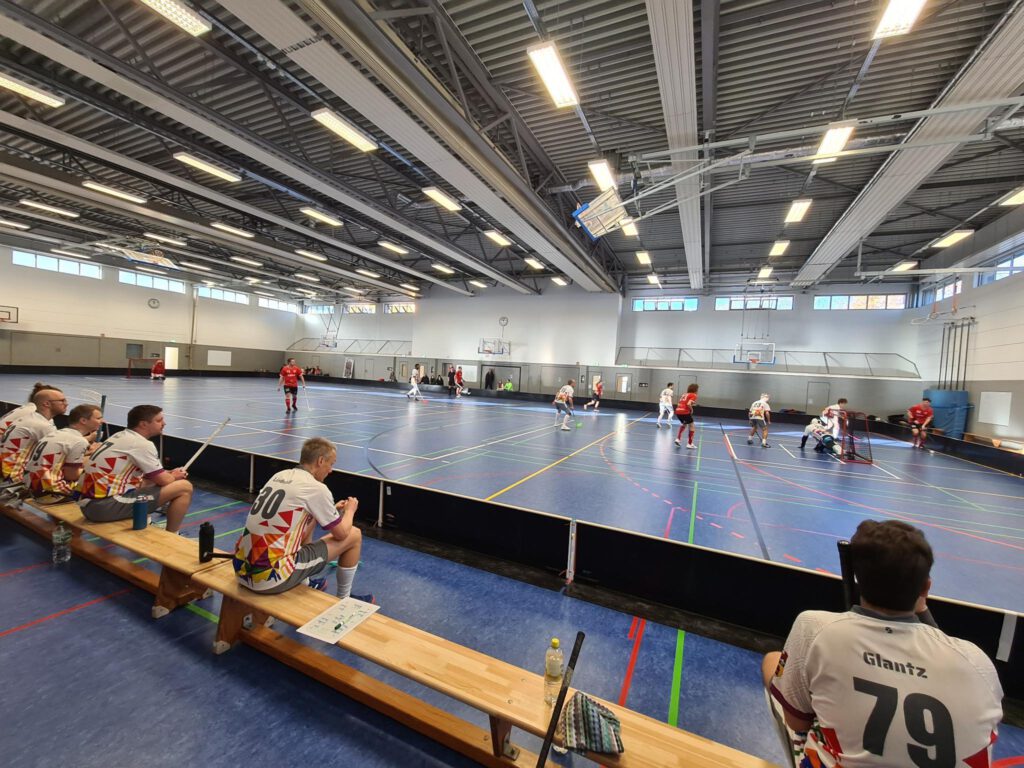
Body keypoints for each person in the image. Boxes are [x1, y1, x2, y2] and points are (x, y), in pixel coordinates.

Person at [762, 520, 1002, 768]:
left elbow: (797, 721)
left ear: (859, 580)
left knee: (773, 663)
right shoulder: (977, 662)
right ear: (926, 588)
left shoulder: (815, 628)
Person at [232, 437, 372, 602]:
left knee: (299, 531)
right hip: (269, 577)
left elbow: (300, 528)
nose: (331, 470)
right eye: (331, 464)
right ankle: (344, 599)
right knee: (354, 535)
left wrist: (328, 510)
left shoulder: (280, 475)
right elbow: (342, 534)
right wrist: (350, 511)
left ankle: (304, 582)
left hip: (242, 569)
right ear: (320, 461)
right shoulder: (316, 488)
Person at [78, 405, 193, 534]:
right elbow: (164, 481)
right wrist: (174, 476)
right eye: (159, 420)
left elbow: (150, 477)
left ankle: (147, 522)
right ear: (143, 424)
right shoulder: (141, 444)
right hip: (103, 507)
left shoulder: (121, 436)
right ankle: (173, 535)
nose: (164, 423)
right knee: (184, 487)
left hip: (88, 504)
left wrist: (168, 473)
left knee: (146, 482)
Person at [23, 402, 103, 498]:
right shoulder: (79, 441)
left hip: (30, 482)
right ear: (83, 420)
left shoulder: (58, 433)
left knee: (89, 461)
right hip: (48, 489)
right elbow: (71, 476)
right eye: (98, 418)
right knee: (98, 481)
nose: (102, 421)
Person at [1, 388, 65, 485]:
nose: (66, 403)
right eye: (62, 401)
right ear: (46, 404)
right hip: (13, 477)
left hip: (6, 468)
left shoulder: (32, 417)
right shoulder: (41, 425)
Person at [675, 384, 699, 448]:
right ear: (695, 389)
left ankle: (678, 439)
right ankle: (689, 444)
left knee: (684, 424)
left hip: (678, 411)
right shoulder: (694, 395)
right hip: (684, 412)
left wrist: (691, 403)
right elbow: (688, 404)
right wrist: (691, 409)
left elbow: (683, 402)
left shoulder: (684, 394)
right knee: (692, 426)